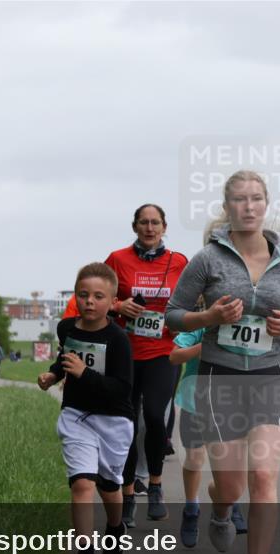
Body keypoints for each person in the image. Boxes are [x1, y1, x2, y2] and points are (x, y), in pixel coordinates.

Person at [166, 170, 280, 554]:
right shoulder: (207, 260)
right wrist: (208, 318)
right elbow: (173, 316)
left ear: (266, 205)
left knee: (264, 476)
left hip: (273, 376)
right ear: (226, 207)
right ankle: (220, 507)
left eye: (256, 199)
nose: (248, 207)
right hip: (219, 379)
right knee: (229, 485)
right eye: (239, 200)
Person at [37, 262, 133, 554]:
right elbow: (65, 359)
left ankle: (116, 530)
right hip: (76, 416)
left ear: (111, 301)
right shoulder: (66, 328)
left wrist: (85, 374)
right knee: (81, 483)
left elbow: (122, 389)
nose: (90, 301)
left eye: (98, 296)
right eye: (83, 294)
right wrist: (53, 375)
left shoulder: (118, 339)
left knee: (108, 485)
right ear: (76, 297)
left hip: (114, 421)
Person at [105, 204, 188, 527]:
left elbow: (195, 300)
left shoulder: (179, 262)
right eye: (144, 222)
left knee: (155, 416)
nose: (150, 228)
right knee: (124, 424)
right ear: (135, 226)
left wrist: (184, 323)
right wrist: (117, 305)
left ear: (164, 227)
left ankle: (154, 485)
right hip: (124, 352)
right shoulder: (117, 259)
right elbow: (97, 295)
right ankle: (127, 495)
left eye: (155, 222)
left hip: (162, 352)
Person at [170, 321, 247, 548]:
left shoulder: (242, 327)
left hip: (229, 405)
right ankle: (191, 509)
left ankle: (228, 503)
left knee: (227, 466)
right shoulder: (201, 326)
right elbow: (174, 357)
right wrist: (203, 347)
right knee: (194, 459)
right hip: (195, 401)